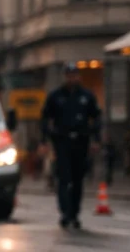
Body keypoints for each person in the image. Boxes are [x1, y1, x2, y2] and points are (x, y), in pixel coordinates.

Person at [40, 63, 101, 230]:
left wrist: (96, 139)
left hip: (81, 141)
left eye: (74, 75)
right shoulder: (56, 96)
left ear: (78, 76)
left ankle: (75, 213)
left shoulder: (86, 96)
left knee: (78, 179)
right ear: (64, 76)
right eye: (68, 75)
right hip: (62, 141)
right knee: (63, 178)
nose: (71, 78)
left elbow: (96, 117)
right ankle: (65, 212)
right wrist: (44, 140)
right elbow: (45, 118)